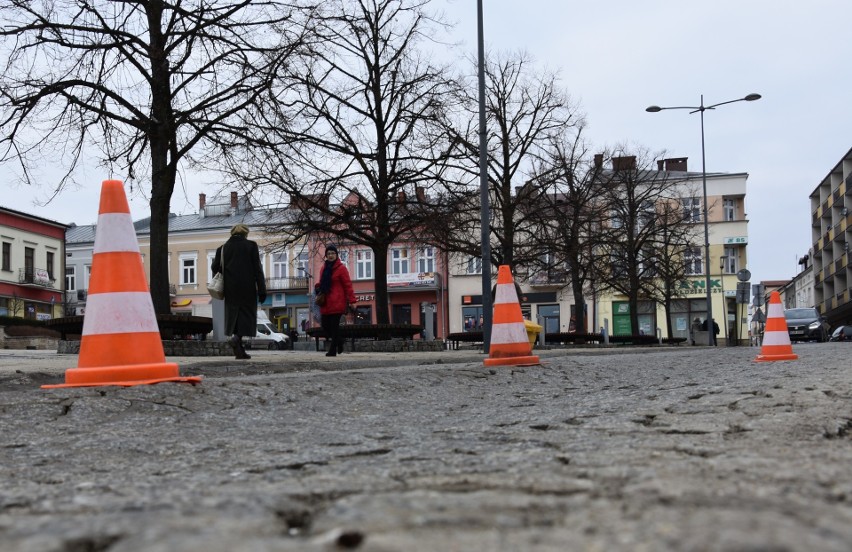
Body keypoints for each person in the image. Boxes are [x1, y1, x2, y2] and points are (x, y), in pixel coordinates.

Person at [212, 224, 266, 360]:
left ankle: (239, 351)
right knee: (246, 316)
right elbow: (257, 269)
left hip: (230, 288)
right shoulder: (251, 246)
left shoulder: (222, 248)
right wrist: (262, 289)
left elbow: (215, 268)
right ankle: (236, 339)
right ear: (245, 234)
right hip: (247, 287)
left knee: (234, 317)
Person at [315, 244, 356, 357]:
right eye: (328, 254)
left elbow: (348, 285)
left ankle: (332, 350)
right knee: (325, 326)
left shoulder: (342, 268)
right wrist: (317, 287)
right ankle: (340, 341)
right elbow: (321, 282)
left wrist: (352, 301)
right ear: (326, 256)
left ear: (336, 255)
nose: (331, 255)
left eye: (333, 253)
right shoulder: (324, 268)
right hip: (326, 302)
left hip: (337, 302)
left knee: (334, 327)